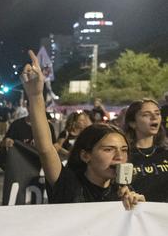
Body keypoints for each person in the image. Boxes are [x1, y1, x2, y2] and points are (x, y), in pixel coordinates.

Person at [21, 50, 143, 208]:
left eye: (124, 150)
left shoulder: (124, 193)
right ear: (86, 155)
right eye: (109, 149)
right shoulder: (68, 183)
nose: (119, 156)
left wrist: (137, 208)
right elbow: (45, 149)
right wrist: (35, 95)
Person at [124, 99, 168, 202]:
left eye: (157, 113)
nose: (154, 117)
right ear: (132, 123)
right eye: (146, 114)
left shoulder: (165, 153)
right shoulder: (124, 156)